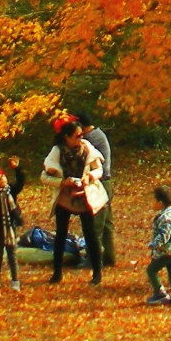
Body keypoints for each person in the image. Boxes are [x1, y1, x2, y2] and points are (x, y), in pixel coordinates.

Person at [43, 118, 106, 285]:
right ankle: (57, 273)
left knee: (91, 234)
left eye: (81, 135)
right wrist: (63, 183)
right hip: (65, 198)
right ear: (67, 137)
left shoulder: (87, 148)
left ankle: (97, 273)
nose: (80, 138)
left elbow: (99, 168)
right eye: (77, 136)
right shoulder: (57, 151)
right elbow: (44, 176)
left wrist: (89, 177)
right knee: (61, 234)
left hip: (84, 196)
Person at [80, 114, 116, 267]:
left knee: (96, 224)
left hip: (100, 184)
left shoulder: (90, 139)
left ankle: (93, 259)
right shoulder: (97, 134)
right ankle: (109, 256)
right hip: (106, 182)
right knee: (106, 223)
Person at [0, 160, 26, 289]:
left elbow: (21, 182)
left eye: (3, 177)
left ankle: (15, 281)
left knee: (12, 255)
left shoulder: (11, 191)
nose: (2, 180)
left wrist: (17, 169)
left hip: (11, 227)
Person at [146, 184, 171, 306]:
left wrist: (154, 244)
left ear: (160, 202)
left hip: (166, 251)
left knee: (151, 270)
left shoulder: (165, 217)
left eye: (153, 200)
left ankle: (160, 292)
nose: (152, 202)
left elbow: (164, 234)